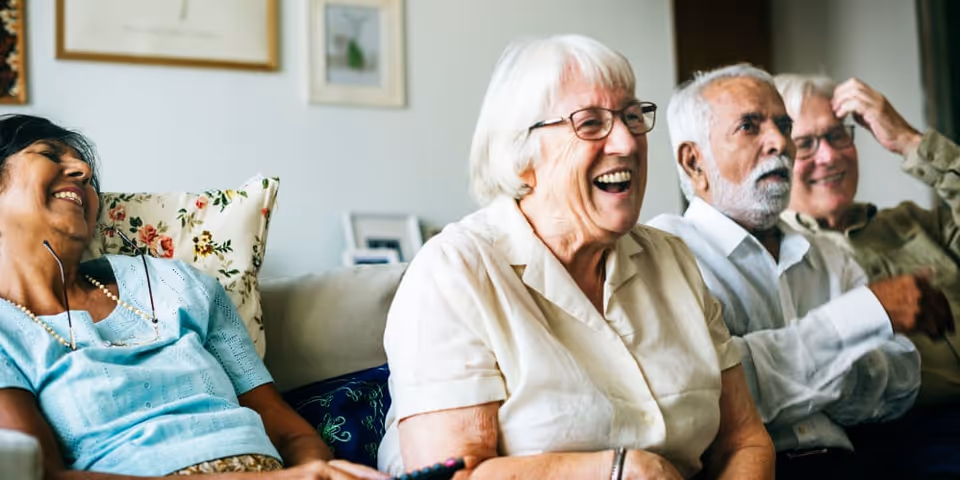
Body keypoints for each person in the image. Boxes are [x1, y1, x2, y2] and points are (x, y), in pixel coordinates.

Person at [377, 35, 774, 480]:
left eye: (631, 116)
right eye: (590, 124)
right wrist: (619, 471)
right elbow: (452, 475)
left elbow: (745, 440)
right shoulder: (456, 273)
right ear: (522, 156)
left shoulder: (672, 259)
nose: (626, 142)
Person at [0, 114, 386, 479]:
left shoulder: (177, 283)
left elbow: (288, 430)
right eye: (50, 155)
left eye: (86, 171)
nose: (83, 173)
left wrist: (318, 470)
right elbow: (36, 473)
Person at [647, 64, 952, 480]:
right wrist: (860, 321)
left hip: (849, 466)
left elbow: (900, 379)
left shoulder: (826, 254)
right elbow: (710, 396)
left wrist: (779, 364)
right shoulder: (665, 252)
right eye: (750, 127)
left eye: (782, 126)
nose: (780, 143)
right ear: (695, 162)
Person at [775, 74, 960, 477]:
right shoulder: (780, 255)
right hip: (900, 438)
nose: (828, 156)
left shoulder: (913, 223)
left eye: (839, 136)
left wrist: (911, 142)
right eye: (805, 144)